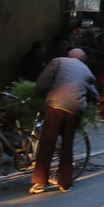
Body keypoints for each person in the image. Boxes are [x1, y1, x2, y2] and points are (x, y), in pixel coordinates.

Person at [31, 48, 99, 194]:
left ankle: (40, 182)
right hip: (75, 110)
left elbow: (42, 82)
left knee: (47, 143)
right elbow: (94, 94)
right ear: (83, 59)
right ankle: (64, 183)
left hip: (55, 106)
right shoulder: (86, 70)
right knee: (67, 145)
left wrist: (40, 94)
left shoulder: (58, 61)